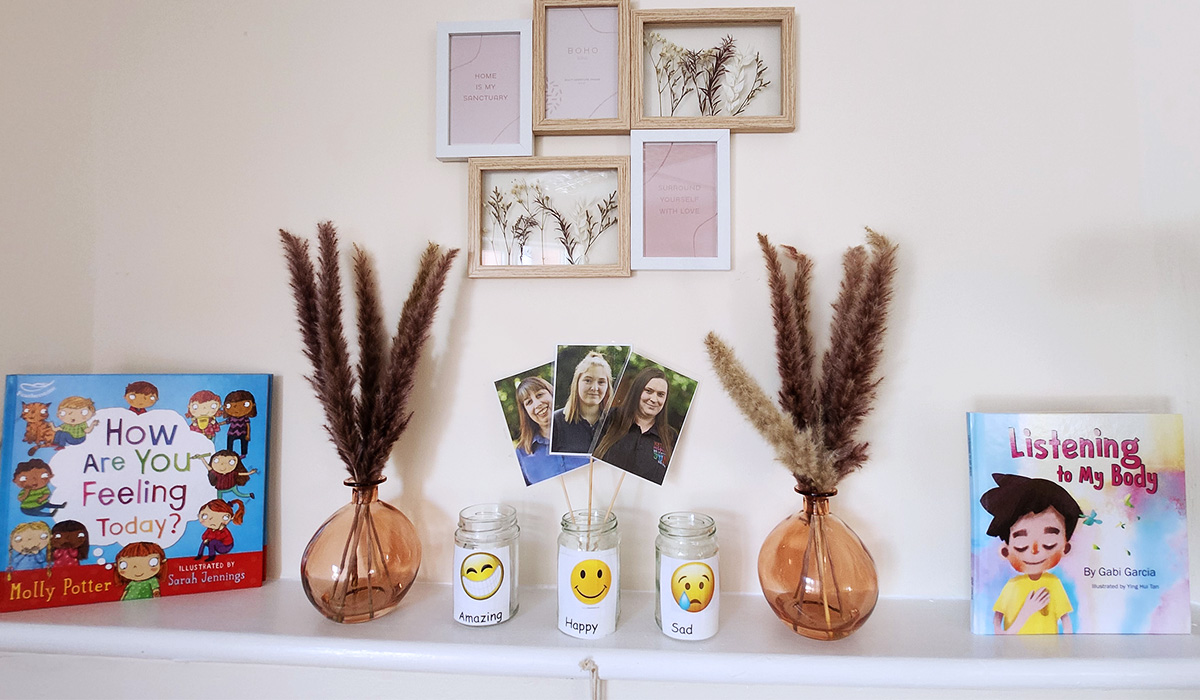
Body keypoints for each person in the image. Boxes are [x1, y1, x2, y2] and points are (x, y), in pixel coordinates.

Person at [980, 472, 1083, 634]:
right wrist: (1026, 612)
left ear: (1065, 548)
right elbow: (997, 625)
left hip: (1049, 650)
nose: (1035, 550)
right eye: (1022, 544)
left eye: (1048, 543)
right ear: (1006, 551)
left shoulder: (1054, 583)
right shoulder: (1012, 586)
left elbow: (1066, 620)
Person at [593, 367, 676, 485]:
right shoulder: (610, 418)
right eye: (648, 391)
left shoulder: (671, 437)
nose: (654, 399)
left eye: (661, 394)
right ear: (637, 391)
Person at [511, 376, 588, 485]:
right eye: (529, 402)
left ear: (552, 394)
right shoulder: (521, 453)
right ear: (525, 412)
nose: (537, 404)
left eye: (539, 395)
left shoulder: (585, 429)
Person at [551, 351, 613, 455]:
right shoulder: (556, 422)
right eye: (588, 380)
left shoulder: (615, 423)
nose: (594, 388)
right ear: (577, 383)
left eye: (601, 382)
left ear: (608, 386)